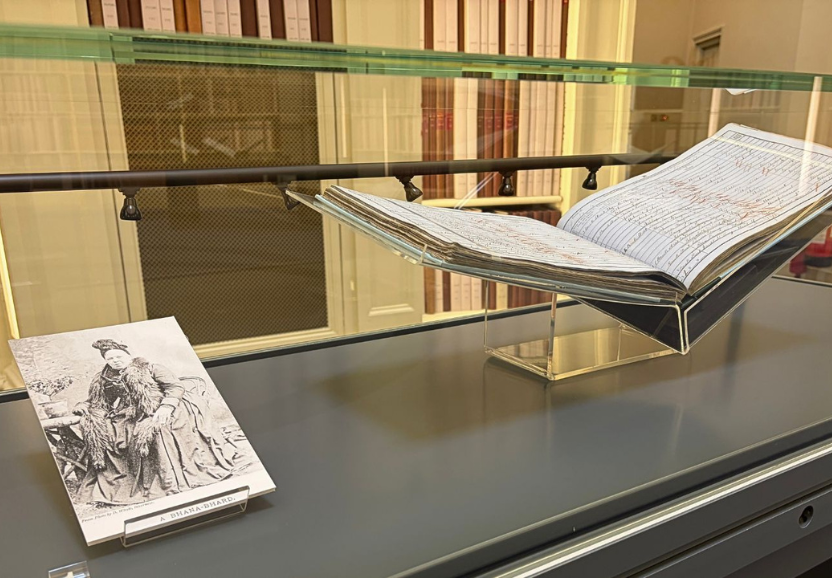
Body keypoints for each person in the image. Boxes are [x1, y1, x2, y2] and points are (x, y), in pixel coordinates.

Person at [73, 339, 237, 505]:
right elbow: (99, 402)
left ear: (127, 355)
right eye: (110, 358)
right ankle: (125, 480)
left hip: (168, 404)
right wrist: (84, 406)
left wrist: (166, 407)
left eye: (118, 356)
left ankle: (167, 479)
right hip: (133, 411)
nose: (115, 360)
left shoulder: (151, 368)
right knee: (113, 432)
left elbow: (175, 387)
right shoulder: (105, 378)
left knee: (159, 430)